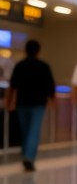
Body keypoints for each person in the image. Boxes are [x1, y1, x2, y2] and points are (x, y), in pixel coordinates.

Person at [6, 39, 56, 172]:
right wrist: (52, 100)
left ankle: (26, 155)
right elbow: (51, 85)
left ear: (26, 50)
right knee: (34, 130)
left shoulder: (20, 65)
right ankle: (28, 157)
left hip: (22, 103)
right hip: (38, 104)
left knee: (25, 131)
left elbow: (13, 86)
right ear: (38, 51)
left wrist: (9, 101)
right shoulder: (43, 66)